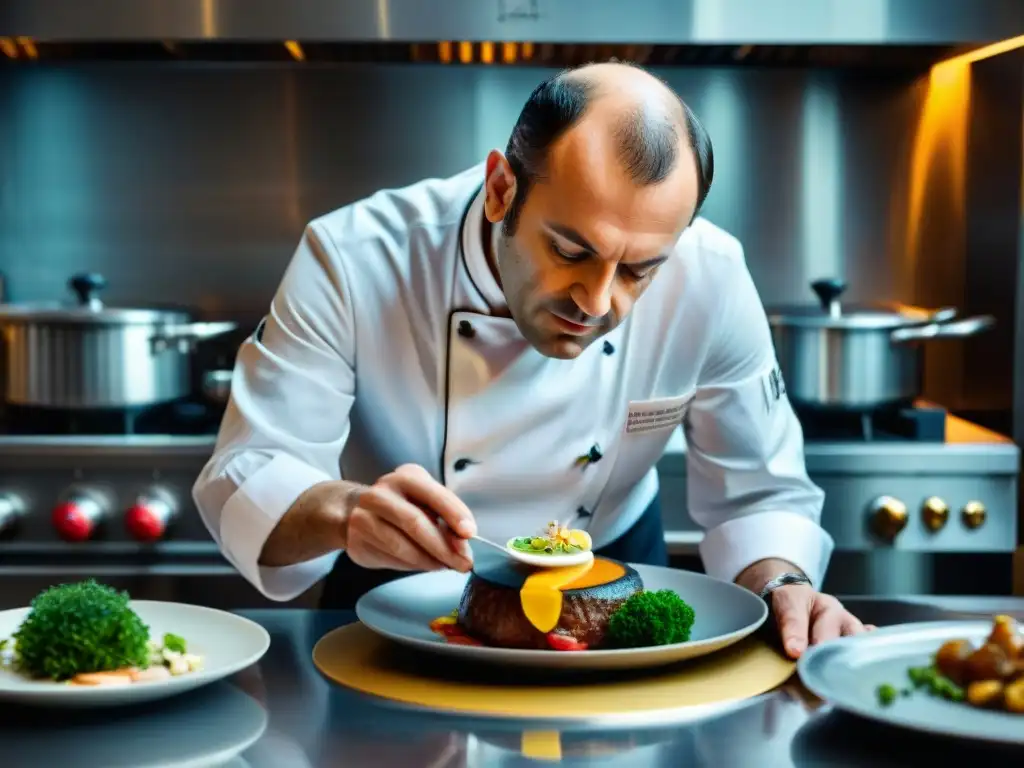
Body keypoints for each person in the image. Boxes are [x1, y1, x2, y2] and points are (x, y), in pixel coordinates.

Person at [193, 61, 868, 659]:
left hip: (615, 589)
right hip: (396, 590)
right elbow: (245, 476)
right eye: (571, 252)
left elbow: (759, 494)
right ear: (499, 189)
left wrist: (784, 585)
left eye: (639, 271)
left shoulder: (712, 275)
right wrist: (348, 513)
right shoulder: (354, 256)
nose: (599, 301)